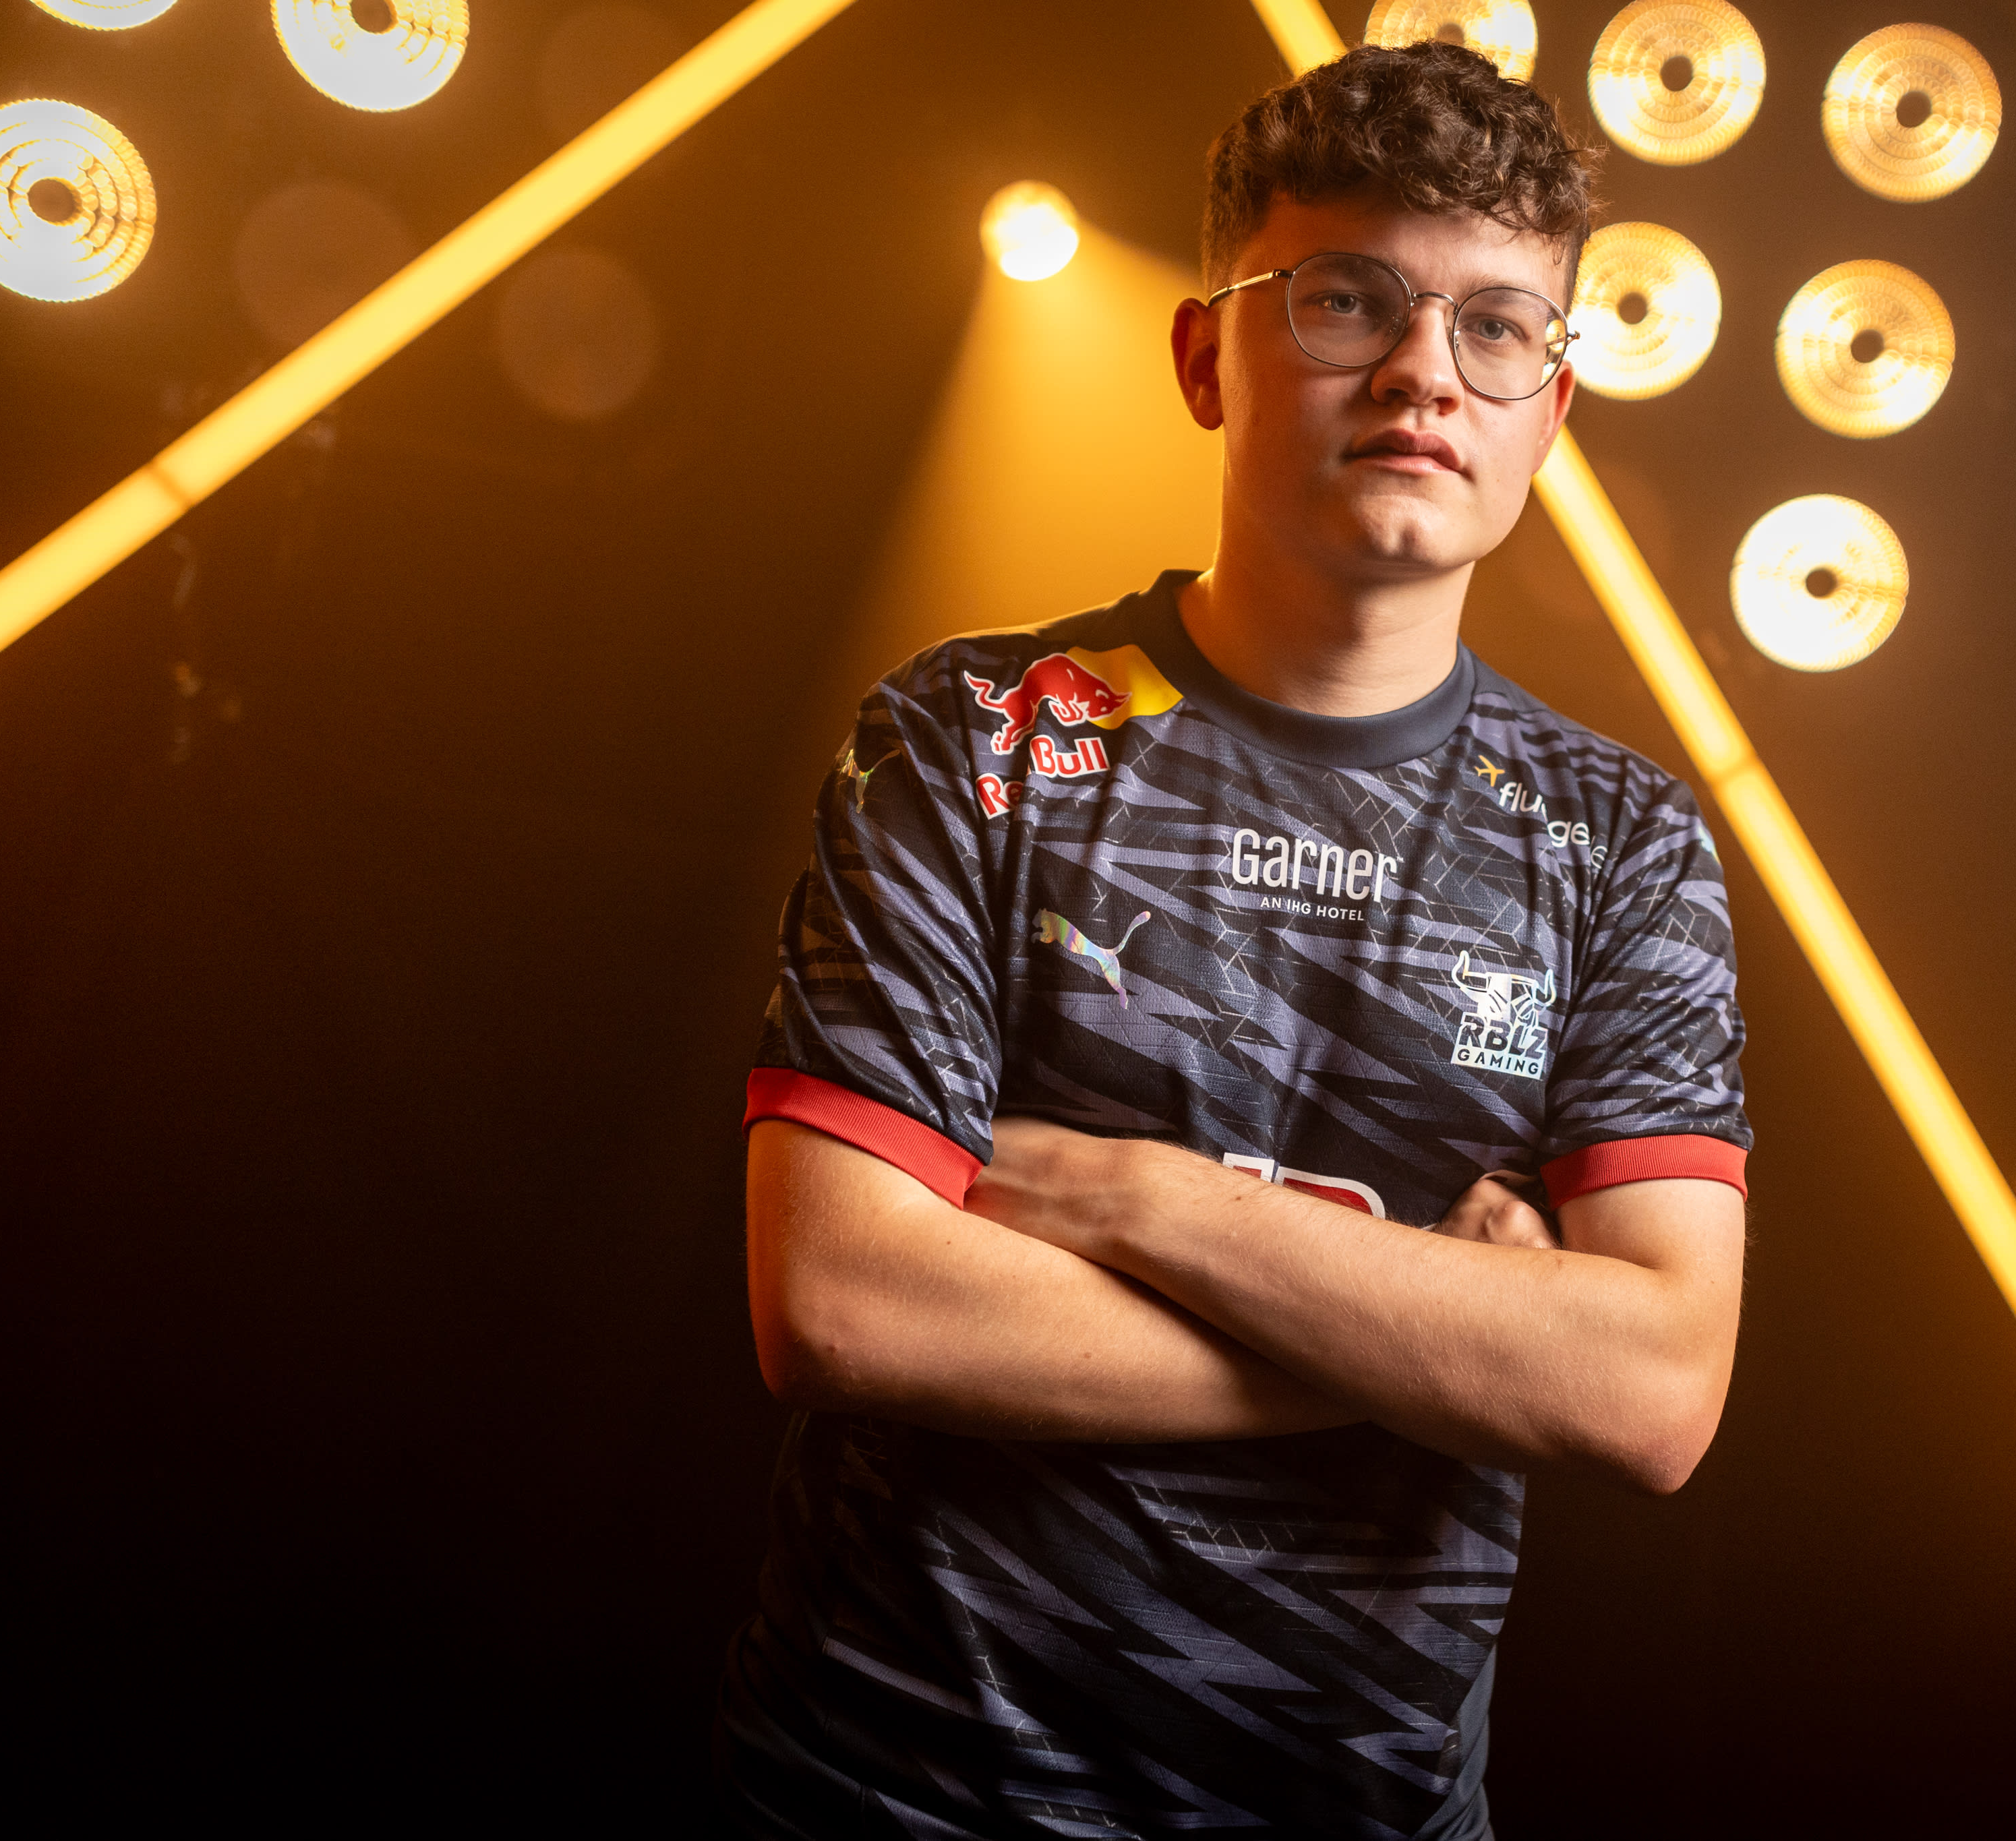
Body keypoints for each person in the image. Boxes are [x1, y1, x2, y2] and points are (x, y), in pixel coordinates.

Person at [716, 41, 1752, 1841]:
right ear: (1208, 356)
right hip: (898, 1798)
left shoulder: (1623, 844)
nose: (1425, 371)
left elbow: (1652, 1390)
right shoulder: (972, 736)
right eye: (1348, 299)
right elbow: (846, 1301)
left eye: (1498, 327)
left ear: (1552, 409)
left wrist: (1137, 1201)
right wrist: (1452, 1343)